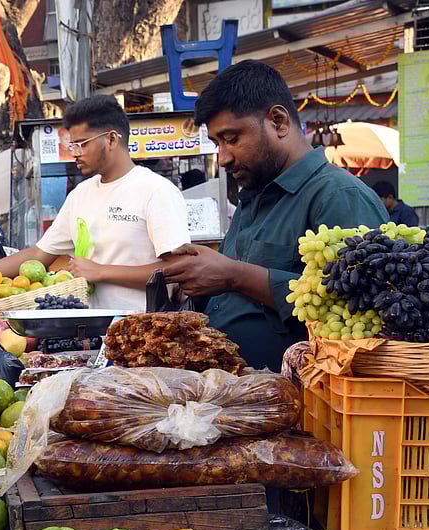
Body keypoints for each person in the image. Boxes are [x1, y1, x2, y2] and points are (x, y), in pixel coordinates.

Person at [160, 60, 388, 371]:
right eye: (217, 143)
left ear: (278, 122)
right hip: (231, 395)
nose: (223, 157)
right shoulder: (252, 197)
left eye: (232, 138)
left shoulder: (339, 196)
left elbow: (360, 308)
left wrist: (233, 275)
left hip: (300, 402)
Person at [0, 95, 191, 311]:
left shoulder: (156, 190)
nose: (75, 153)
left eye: (82, 144)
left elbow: (179, 269)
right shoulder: (81, 194)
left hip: (142, 332)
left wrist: (101, 271)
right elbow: (38, 254)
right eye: (72, 145)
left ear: (112, 139)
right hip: (90, 330)